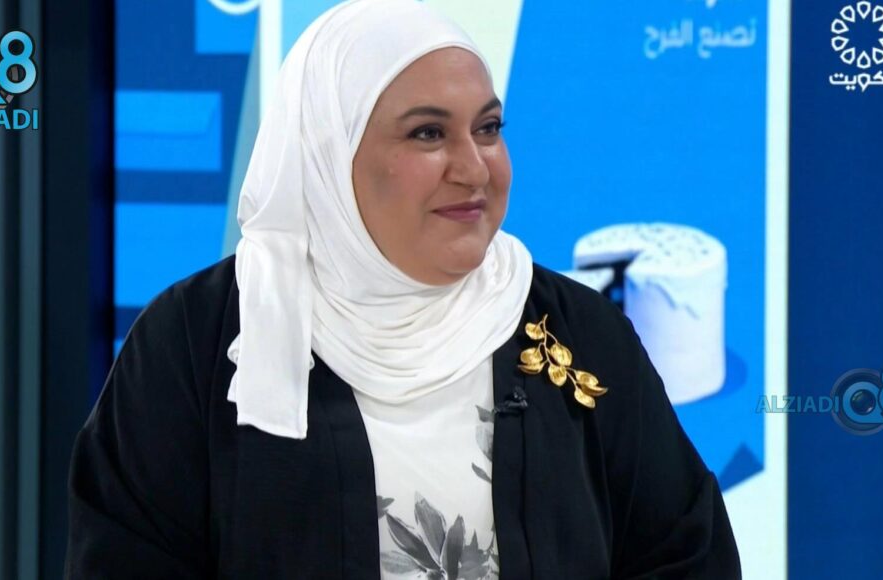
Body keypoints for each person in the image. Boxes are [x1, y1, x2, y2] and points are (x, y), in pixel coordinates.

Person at [65, 0, 741, 578]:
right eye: (428, 134)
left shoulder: (581, 331)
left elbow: (686, 554)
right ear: (329, 154)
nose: (474, 168)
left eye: (488, 129)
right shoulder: (195, 341)